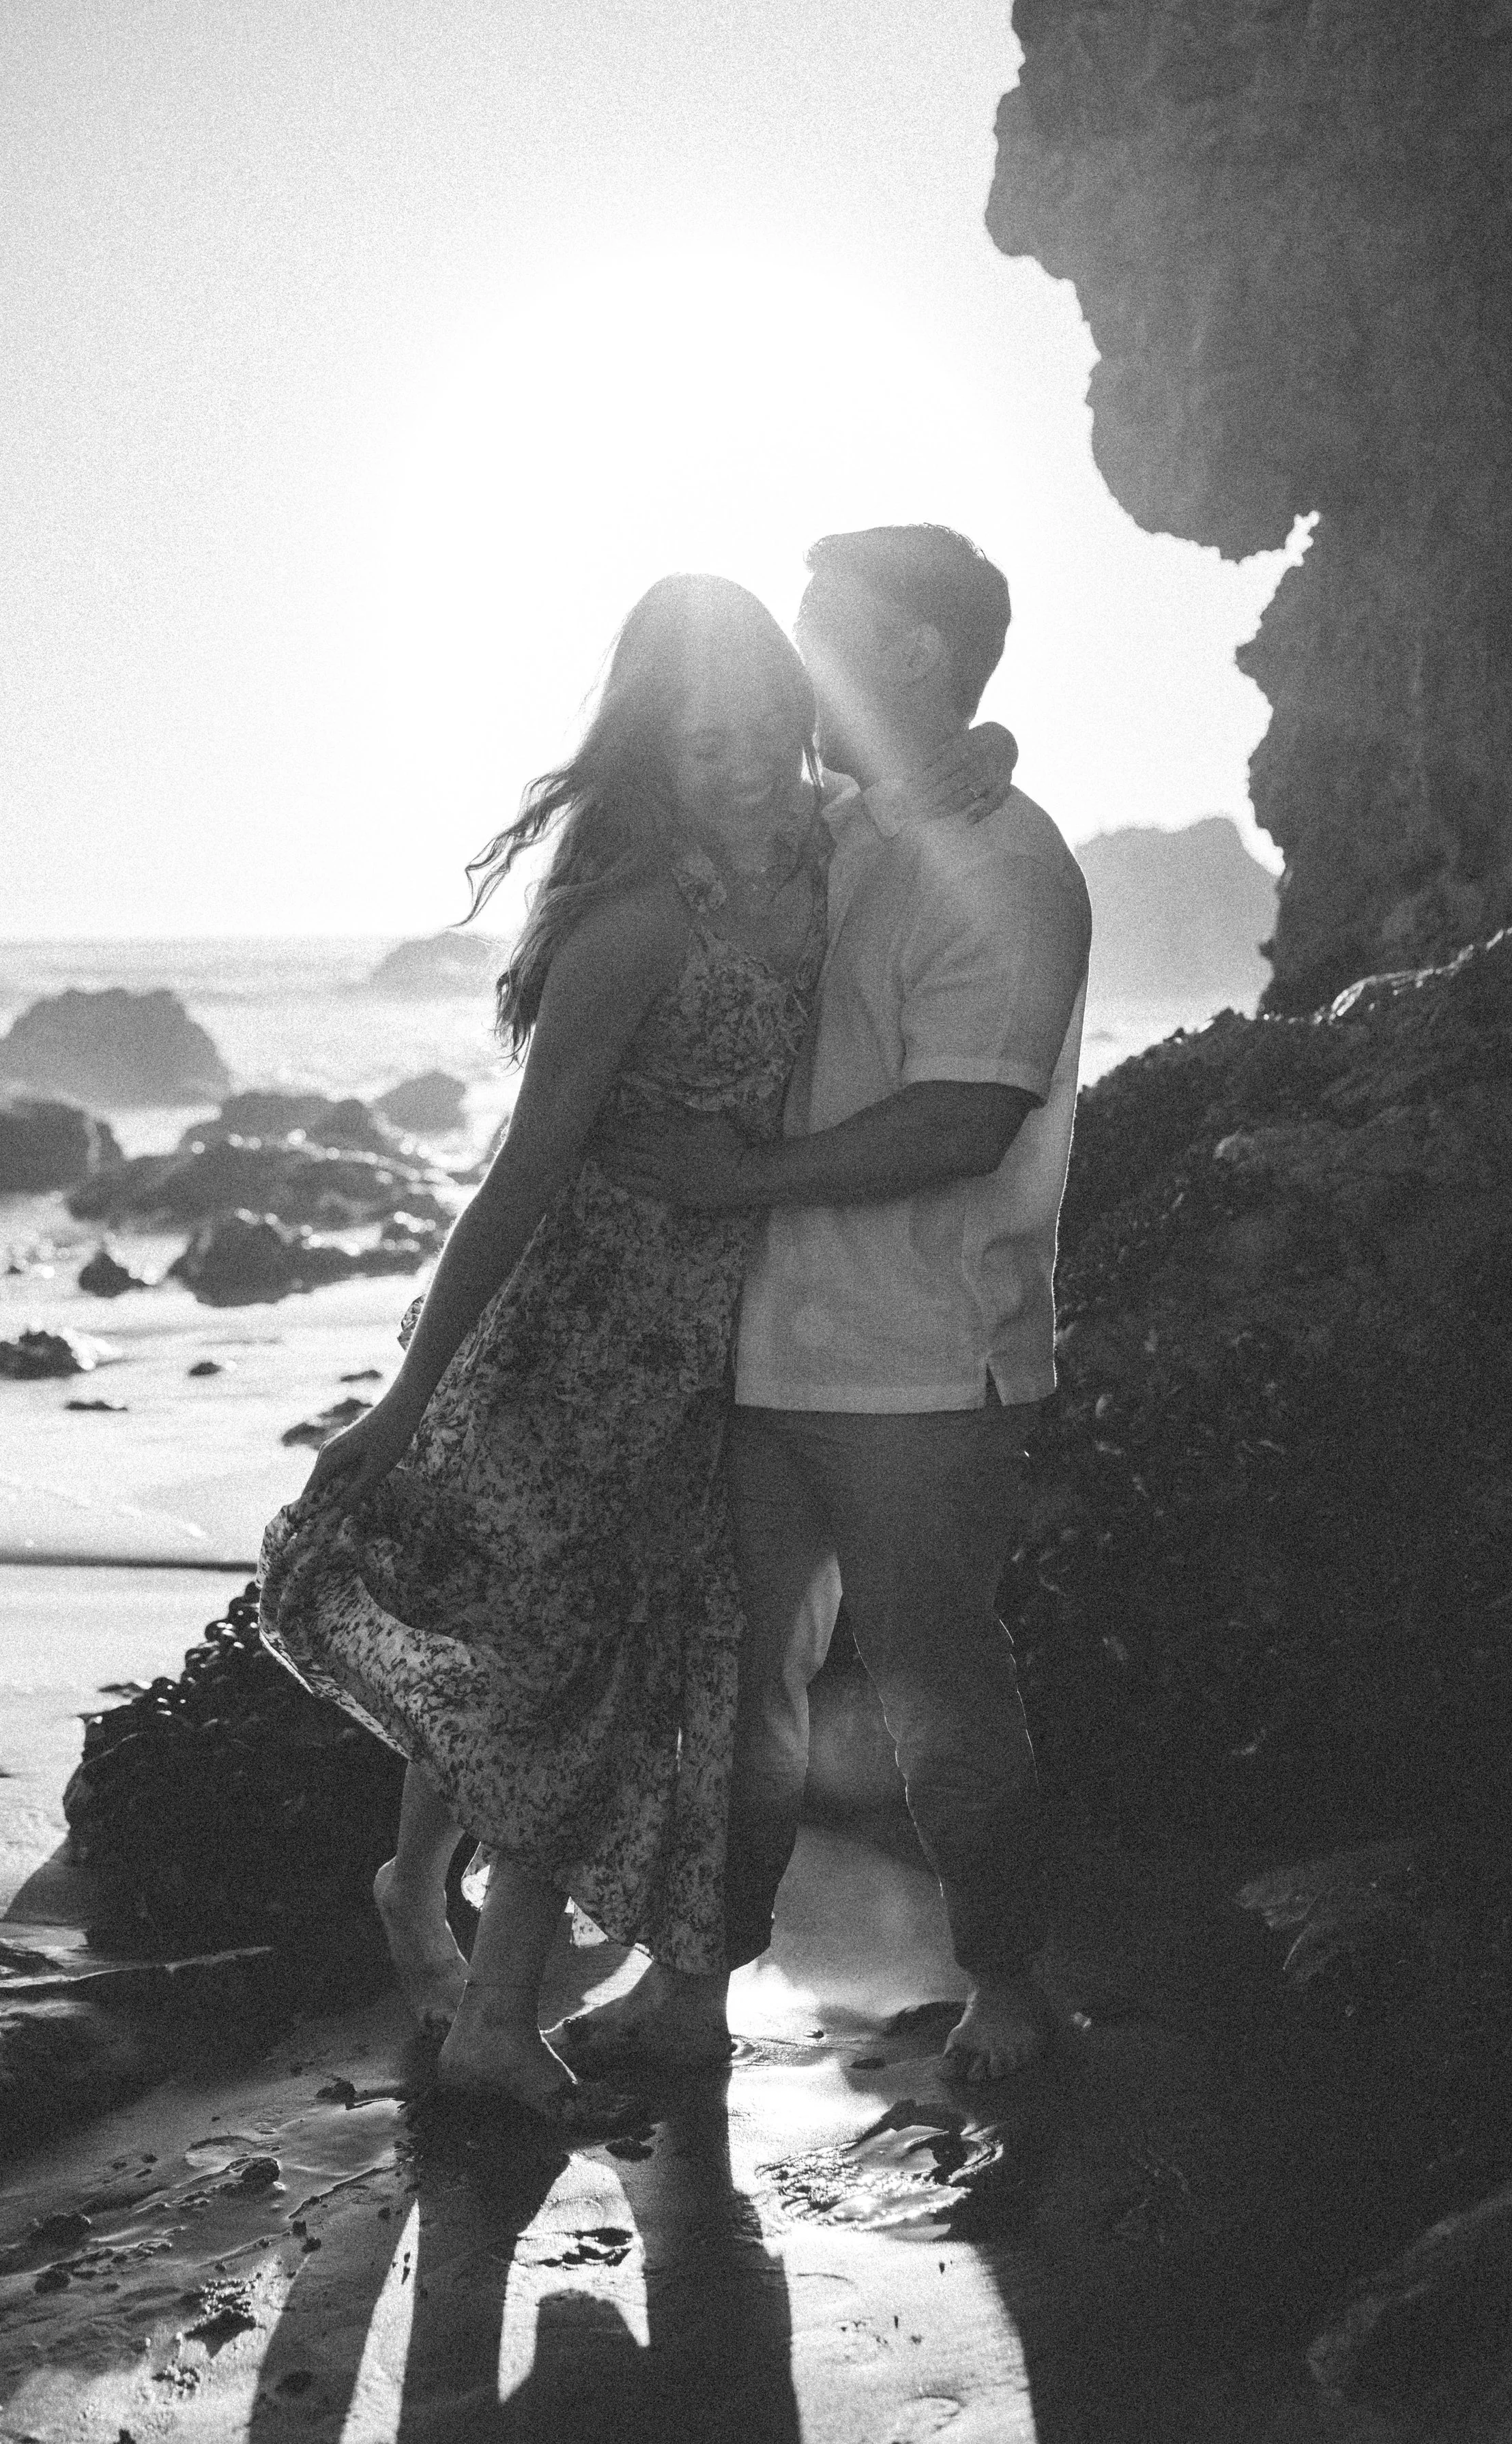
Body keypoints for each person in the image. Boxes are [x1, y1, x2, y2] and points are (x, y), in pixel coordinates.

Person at [256, 569, 1009, 2120]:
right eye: (692, 744)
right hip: (564, 1342)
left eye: (753, 731)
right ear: (651, 751)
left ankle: (414, 1886)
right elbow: (521, 1175)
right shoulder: (636, 928)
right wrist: (402, 1400)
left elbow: (941, 789)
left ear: (797, 715)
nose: (730, 766)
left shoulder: (823, 847)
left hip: (713, 1346)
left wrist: (985, 764)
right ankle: (489, 2028)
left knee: (539, 1656)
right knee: (560, 1673)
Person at [581, 524, 1092, 2085]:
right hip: (763, 1357)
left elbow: (961, 1120)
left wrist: (726, 1182)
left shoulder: (1007, 863)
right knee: (733, 1693)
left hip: (931, 1371)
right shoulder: (844, 829)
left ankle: (1006, 1991)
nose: (792, 657)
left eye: (820, 626)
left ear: (915, 654)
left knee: (944, 1699)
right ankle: (689, 1990)